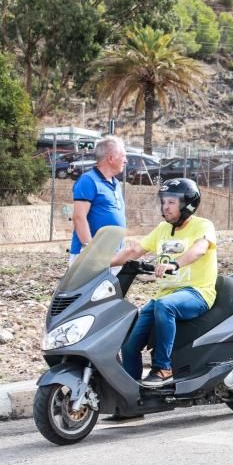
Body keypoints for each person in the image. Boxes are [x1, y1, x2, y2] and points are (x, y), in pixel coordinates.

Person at [111, 178, 218, 386]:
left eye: (171, 202)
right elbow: (134, 251)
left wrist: (175, 264)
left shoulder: (203, 225)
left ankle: (163, 368)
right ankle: (131, 396)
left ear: (187, 204)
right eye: (163, 202)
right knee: (129, 341)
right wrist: (99, 263)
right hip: (164, 296)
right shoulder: (162, 229)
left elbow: (200, 249)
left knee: (165, 306)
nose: (165, 207)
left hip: (197, 292)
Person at [69, 135, 127, 264]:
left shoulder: (116, 183)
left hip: (113, 254)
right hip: (92, 255)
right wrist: (90, 250)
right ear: (111, 158)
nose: (125, 160)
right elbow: (79, 217)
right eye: (123, 156)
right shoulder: (88, 180)